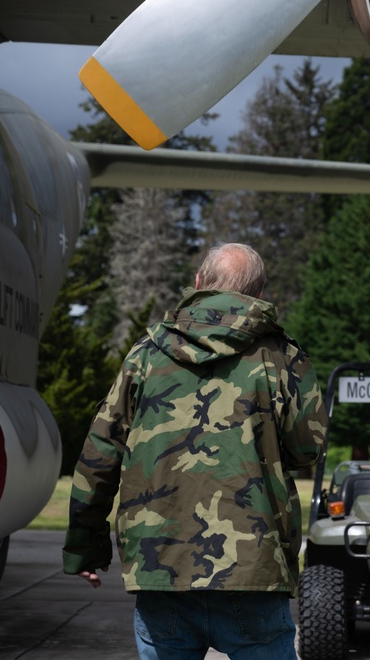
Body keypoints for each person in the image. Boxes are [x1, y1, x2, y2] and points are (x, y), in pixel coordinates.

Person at [62, 243, 326, 660]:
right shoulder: (282, 358)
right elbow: (306, 451)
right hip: (252, 569)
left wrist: (83, 546)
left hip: (160, 565)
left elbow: (99, 454)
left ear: (199, 284)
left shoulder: (145, 354)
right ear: (257, 293)